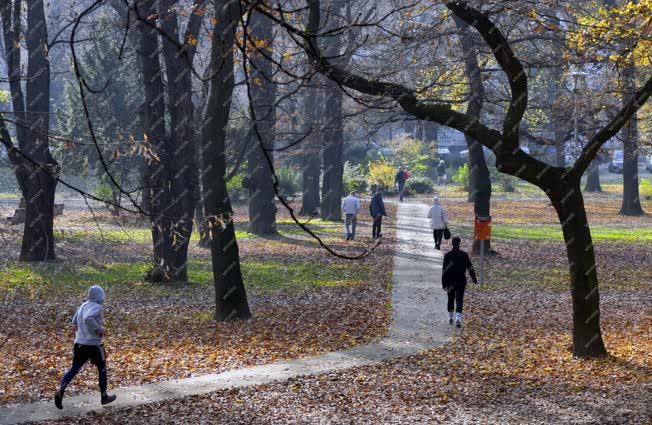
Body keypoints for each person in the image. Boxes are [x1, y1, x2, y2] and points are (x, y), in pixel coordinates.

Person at [54, 285, 116, 409]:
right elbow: (88, 318)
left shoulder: (83, 306)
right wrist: (100, 328)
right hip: (94, 345)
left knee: (75, 368)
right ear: (100, 296)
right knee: (102, 368)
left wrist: (83, 330)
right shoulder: (97, 307)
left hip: (79, 344)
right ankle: (104, 397)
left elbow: (74, 321)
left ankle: (61, 390)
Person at [442, 236, 478, 328]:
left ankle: (450, 317)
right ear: (459, 243)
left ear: (452, 243)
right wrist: (474, 279)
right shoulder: (464, 255)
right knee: (459, 299)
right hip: (461, 280)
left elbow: (444, 270)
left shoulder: (447, 255)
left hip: (450, 281)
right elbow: (470, 267)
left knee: (450, 298)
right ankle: (458, 317)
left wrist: (443, 283)